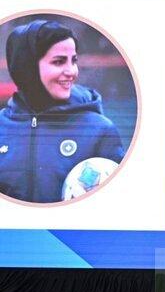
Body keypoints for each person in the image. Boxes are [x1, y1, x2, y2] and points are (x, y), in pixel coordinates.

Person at [0, 20, 124, 203]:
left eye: (74, 61)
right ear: (27, 68)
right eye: (59, 62)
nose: (72, 71)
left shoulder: (99, 130)